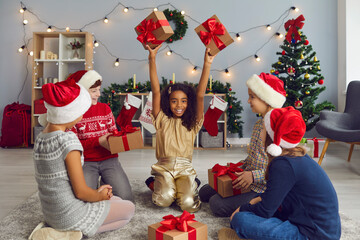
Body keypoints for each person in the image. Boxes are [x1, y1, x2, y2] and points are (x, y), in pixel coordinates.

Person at [219, 106, 341, 240]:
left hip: (313, 234)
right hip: (314, 225)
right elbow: (274, 196)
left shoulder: (283, 165)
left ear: (272, 137)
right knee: (253, 211)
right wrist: (254, 202)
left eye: (263, 129)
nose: (260, 133)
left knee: (241, 220)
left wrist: (242, 209)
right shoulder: (295, 156)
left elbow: (265, 210)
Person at [33, 80, 135, 238]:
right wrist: (99, 196)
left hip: (51, 214)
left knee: (114, 199)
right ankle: (68, 232)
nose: (81, 117)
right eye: (79, 112)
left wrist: (98, 194)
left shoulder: (40, 138)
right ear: (69, 112)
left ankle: (62, 229)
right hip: (70, 215)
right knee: (129, 209)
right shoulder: (68, 141)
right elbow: (81, 193)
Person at [199, 73, 286, 217]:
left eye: (252, 97)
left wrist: (253, 176)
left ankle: (262, 205)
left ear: (266, 99)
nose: (248, 100)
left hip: (261, 188)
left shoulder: (278, 128)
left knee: (216, 203)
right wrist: (238, 167)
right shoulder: (259, 124)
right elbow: (255, 157)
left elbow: (281, 170)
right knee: (204, 192)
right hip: (247, 178)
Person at [145, 44, 216, 213]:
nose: (179, 105)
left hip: (185, 168)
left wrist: (207, 63)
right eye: (174, 100)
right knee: (163, 200)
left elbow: (200, 94)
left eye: (183, 101)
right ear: (167, 102)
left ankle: (190, 183)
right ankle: (155, 182)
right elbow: (156, 90)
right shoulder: (161, 118)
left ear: (188, 103)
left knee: (189, 205)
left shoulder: (193, 122)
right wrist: (152, 58)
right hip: (164, 167)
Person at [69, 70, 134, 202]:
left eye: (99, 90)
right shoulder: (73, 114)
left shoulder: (105, 108)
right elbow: (73, 146)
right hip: (86, 161)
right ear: (81, 91)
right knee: (84, 200)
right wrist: (97, 141)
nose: (98, 94)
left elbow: (114, 133)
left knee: (127, 199)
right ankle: (102, 184)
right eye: (93, 91)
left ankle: (106, 179)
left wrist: (118, 139)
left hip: (109, 159)